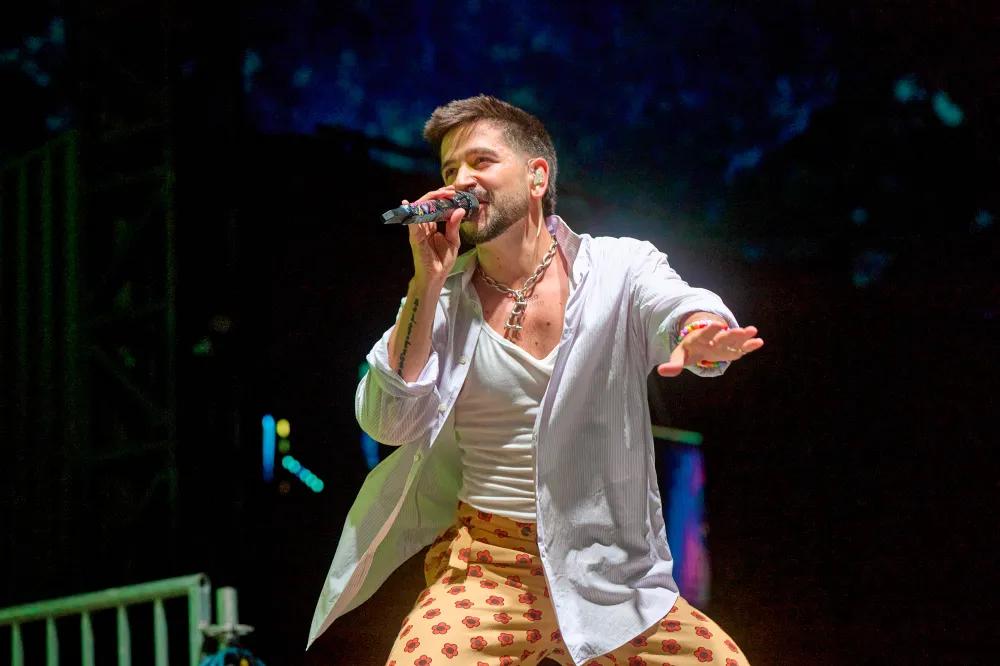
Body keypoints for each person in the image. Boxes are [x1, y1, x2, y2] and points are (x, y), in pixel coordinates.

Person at [308, 95, 763, 666]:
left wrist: (700, 332)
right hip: (486, 568)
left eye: (480, 162)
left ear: (536, 176)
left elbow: (680, 305)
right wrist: (426, 280)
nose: (460, 181)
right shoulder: (440, 302)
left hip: (614, 575)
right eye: (450, 170)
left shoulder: (619, 268)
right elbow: (387, 422)